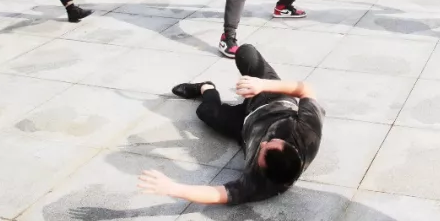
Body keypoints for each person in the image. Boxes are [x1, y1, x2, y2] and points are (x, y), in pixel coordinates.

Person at [137, 44, 323, 206]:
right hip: (271, 98)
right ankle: (258, 83)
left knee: (206, 112)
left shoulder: (261, 184)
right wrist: (261, 85)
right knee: (246, 53)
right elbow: (306, 89)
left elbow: (219, 195)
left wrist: (172, 188)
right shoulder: (308, 133)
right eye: (273, 141)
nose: (264, 142)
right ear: (292, 148)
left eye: (262, 150)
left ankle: (205, 87)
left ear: (263, 170)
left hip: (245, 127)